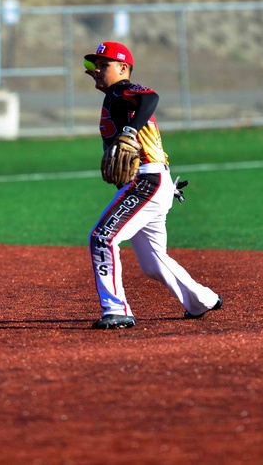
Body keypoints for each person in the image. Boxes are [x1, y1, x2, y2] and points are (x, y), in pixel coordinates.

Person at [84, 41, 222, 330]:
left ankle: (116, 309)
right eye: (94, 65)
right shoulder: (114, 96)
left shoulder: (122, 89)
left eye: (103, 64)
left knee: (102, 237)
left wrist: (130, 130)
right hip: (151, 183)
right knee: (152, 262)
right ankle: (201, 300)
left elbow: (150, 97)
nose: (96, 70)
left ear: (123, 68)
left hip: (146, 182)